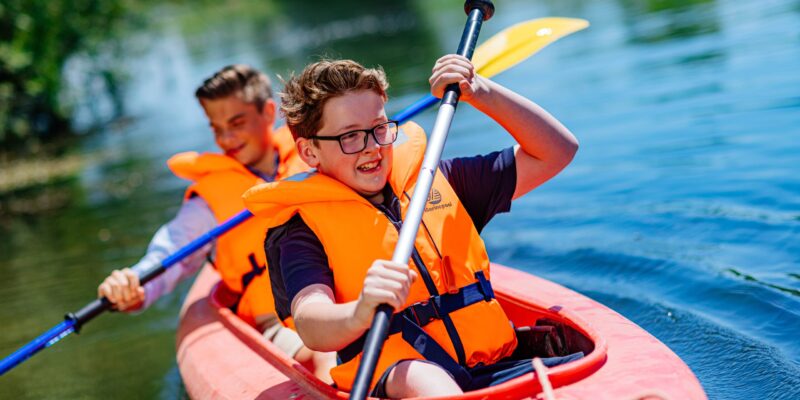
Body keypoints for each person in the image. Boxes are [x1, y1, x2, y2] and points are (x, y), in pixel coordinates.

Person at [243, 55, 582, 398]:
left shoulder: (437, 182)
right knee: (419, 377)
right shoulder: (301, 231)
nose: (372, 147)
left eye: (378, 128)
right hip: (400, 378)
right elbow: (311, 320)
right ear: (310, 151)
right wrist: (359, 310)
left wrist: (481, 92)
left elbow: (556, 151)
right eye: (350, 137)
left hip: (495, 364)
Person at [96, 64, 333, 382]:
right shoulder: (208, 202)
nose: (226, 138)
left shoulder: (315, 153)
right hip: (281, 322)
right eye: (216, 128)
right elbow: (171, 251)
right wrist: (134, 286)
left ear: (268, 112)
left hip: (341, 295)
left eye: (236, 123)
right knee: (328, 352)